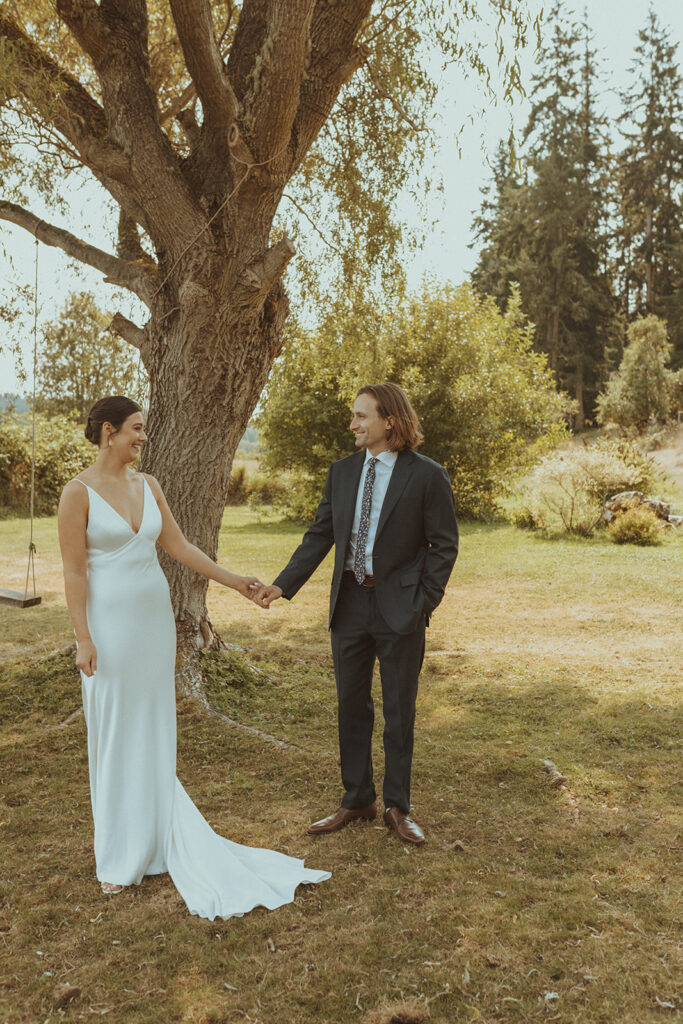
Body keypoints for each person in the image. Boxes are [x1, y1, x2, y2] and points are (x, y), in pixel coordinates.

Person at [58, 395, 329, 918]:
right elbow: (73, 572)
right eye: (136, 429)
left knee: (153, 729)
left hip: (152, 625)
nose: (143, 438)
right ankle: (119, 856)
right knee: (114, 733)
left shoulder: (149, 485)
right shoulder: (78, 494)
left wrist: (236, 582)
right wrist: (83, 638)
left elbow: (181, 548)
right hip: (108, 629)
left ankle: (157, 843)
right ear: (109, 432)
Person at [253, 383, 458, 845]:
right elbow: (319, 535)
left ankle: (397, 806)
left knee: (398, 709)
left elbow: (444, 545)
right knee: (351, 704)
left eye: (361, 416)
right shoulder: (342, 473)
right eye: (353, 416)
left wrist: (423, 601)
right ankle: (357, 798)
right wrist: (282, 585)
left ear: (390, 421)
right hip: (348, 606)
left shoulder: (426, 476)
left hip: (400, 609)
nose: (353, 424)